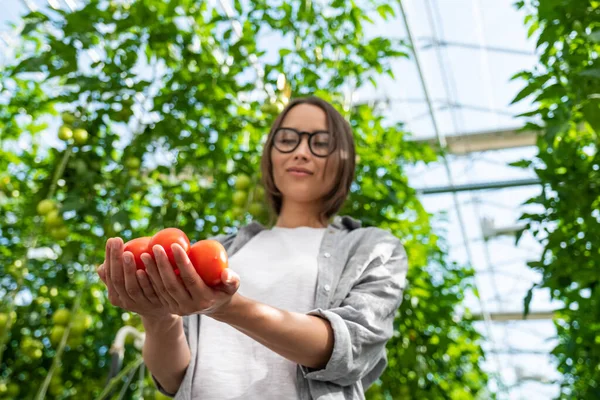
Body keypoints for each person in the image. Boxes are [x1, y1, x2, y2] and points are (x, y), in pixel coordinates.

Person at [97, 96, 409, 400]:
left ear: (345, 160)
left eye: (321, 143)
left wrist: (227, 308)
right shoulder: (221, 248)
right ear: (270, 154)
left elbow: (349, 349)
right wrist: (157, 316)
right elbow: (173, 377)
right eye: (287, 139)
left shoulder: (371, 247)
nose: (301, 152)